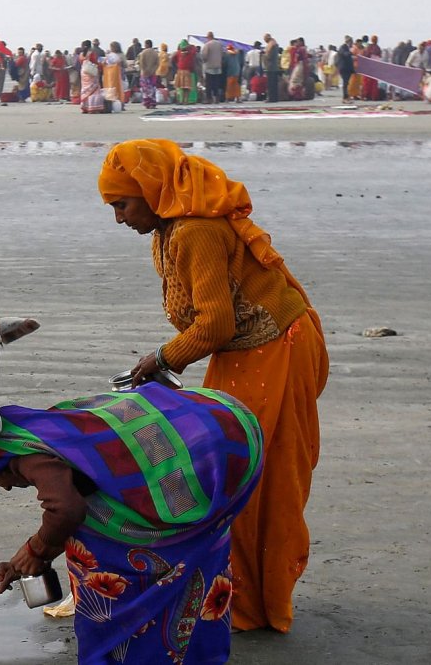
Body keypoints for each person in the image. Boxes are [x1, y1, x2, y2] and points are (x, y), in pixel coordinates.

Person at [98, 139, 329, 633]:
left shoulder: (195, 230)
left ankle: (259, 603)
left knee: (261, 476)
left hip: (276, 346)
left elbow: (215, 324)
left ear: (150, 190)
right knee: (223, 465)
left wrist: (158, 360)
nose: (118, 218)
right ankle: (234, 590)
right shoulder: (168, 228)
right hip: (239, 353)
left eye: (121, 203)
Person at [0, 381, 264, 663]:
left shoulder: (27, 455)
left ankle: (124, 651)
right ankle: (197, 650)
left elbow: (65, 510)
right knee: (198, 549)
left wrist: (37, 550)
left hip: (209, 448)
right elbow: (84, 488)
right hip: (228, 426)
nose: (5, 487)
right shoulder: (54, 428)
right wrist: (27, 558)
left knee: (95, 542)